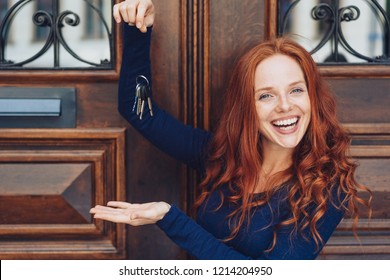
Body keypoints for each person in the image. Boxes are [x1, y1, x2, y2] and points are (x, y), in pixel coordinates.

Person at [90, 0, 371, 259]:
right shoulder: (222, 155)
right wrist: (138, 29)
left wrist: (169, 217)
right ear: (247, 105)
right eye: (266, 95)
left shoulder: (326, 189)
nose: (285, 106)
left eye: (296, 90)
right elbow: (139, 112)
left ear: (312, 97)